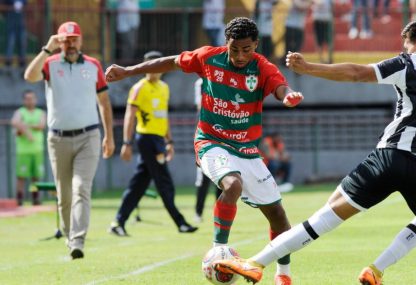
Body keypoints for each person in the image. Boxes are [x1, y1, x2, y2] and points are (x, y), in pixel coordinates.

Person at [214, 18, 416, 285]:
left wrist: (309, 67)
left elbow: (358, 73)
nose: (403, 50)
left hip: (389, 157)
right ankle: (377, 269)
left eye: (405, 45)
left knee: (327, 214)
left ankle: (256, 262)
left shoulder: (407, 63)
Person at [105, 17, 304, 285]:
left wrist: (288, 95)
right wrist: (128, 71)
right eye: (235, 49)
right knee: (232, 184)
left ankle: (284, 275)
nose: (240, 55)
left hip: (246, 147)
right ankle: (218, 251)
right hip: (211, 141)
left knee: (277, 215)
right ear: (227, 44)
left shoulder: (262, 67)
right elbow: (173, 61)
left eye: (246, 49)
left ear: (256, 45)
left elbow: (279, 86)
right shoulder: (209, 58)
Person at [24, 21, 115, 260]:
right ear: (59, 42)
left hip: (89, 136)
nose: (70, 44)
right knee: (63, 195)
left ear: (81, 40)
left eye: (74, 39)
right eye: (65, 40)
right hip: (58, 140)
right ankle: (69, 234)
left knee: (81, 189)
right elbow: (30, 76)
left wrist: (109, 137)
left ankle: (78, 240)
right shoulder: (50, 63)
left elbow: (104, 104)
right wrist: (47, 48)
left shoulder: (94, 65)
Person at [109, 51, 198, 236]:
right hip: (147, 139)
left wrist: (170, 141)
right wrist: (126, 142)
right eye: (150, 66)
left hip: (158, 139)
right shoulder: (139, 88)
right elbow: (130, 116)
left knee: (139, 185)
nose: (153, 70)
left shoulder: (164, 88)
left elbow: (163, 116)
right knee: (165, 183)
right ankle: (180, 222)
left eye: (156, 66)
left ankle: (118, 222)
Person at [193, 78, 222, 223]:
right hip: (206, 136)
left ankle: (220, 214)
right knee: (203, 179)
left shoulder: (222, 80)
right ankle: (198, 213)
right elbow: (200, 106)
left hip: (222, 135)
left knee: (223, 177)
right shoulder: (200, 83)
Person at [10, 90, 46, 206]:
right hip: (23, 151)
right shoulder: (20, 112)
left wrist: (25, 126)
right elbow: (15, 123)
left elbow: (41, 126)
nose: (30, 101)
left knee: (36, 177)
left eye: (32, 98)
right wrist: (27, 132)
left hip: (37, 150)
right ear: (24, 100)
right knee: (21, 176)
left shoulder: (40, 113)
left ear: (35, 100)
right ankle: (19, 200)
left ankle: (36, 199)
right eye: (27, 98)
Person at [4, 0, 27, 70]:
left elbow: (26, 4)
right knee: (11, 42)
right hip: (11, 22)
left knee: (22, 43)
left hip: (21, 23)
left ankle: (22, 62)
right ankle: (8, 62)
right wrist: (12, 6)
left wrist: (21, 5)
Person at [116, 0, 140, 64]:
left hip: (133, 26)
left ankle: (129, 62)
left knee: (132, 45)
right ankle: (125, 63)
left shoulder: (135, 2)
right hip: (124, 27)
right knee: (127, 45)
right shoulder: (123, 2)